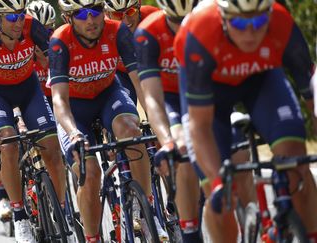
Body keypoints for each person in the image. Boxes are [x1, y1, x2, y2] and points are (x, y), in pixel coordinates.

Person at [174, 0, 317, 242]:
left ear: (269, 15)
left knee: (296, 162)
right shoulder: (199, 32)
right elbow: (199, 127)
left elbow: (311, 92)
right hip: (212, 98)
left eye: (259, 20)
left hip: (261, 81)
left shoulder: (281, 22)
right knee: (221, 198)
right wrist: (218, 183)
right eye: (239, 22)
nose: (250, 31)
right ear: (223, 18)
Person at [50, 0, 167, 241]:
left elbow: (140, 83)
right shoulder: (60, 42)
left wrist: (160, 127)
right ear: (68, 18)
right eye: (82, 14)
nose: (91, 19)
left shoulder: (117, 31)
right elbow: (59, 100)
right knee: (90, 172)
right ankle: (92, 237)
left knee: (132, 132)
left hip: (108, 95)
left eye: (96, 11)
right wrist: (73, 133)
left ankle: (146, 212)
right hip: (75, 108)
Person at [0, 0, 67, 242]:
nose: (19, 22)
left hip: (28, 88)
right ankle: (19, 214)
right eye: (11, 17)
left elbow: (55, 59)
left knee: (52, 147)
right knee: (8, 143)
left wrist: (47, 60)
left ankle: (62, 211)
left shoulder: (32, 27)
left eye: (21, 15)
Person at [134, 0, 202, 242]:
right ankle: (189, 229)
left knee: (239, 154)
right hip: (165, 95)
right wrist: (166, 140)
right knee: (179, 149)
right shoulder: (149, 31)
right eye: (176, 21)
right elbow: (150, 96)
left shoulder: (212, 21)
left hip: (201, 93)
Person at [104, 0, 158, 104]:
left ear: (139, 6)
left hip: (151, 70)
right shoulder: (101, 28)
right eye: (117, 14)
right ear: (107, 14)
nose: (126, 20)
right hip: (122, 74)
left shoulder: (153, 16)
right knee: (127, 111)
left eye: (130, 11)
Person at [26, 0, 57, 106]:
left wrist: (46, 62)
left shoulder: (61, 46)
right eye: (36, 34)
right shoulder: (20, 51)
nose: (42, 39)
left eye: (47, 32)